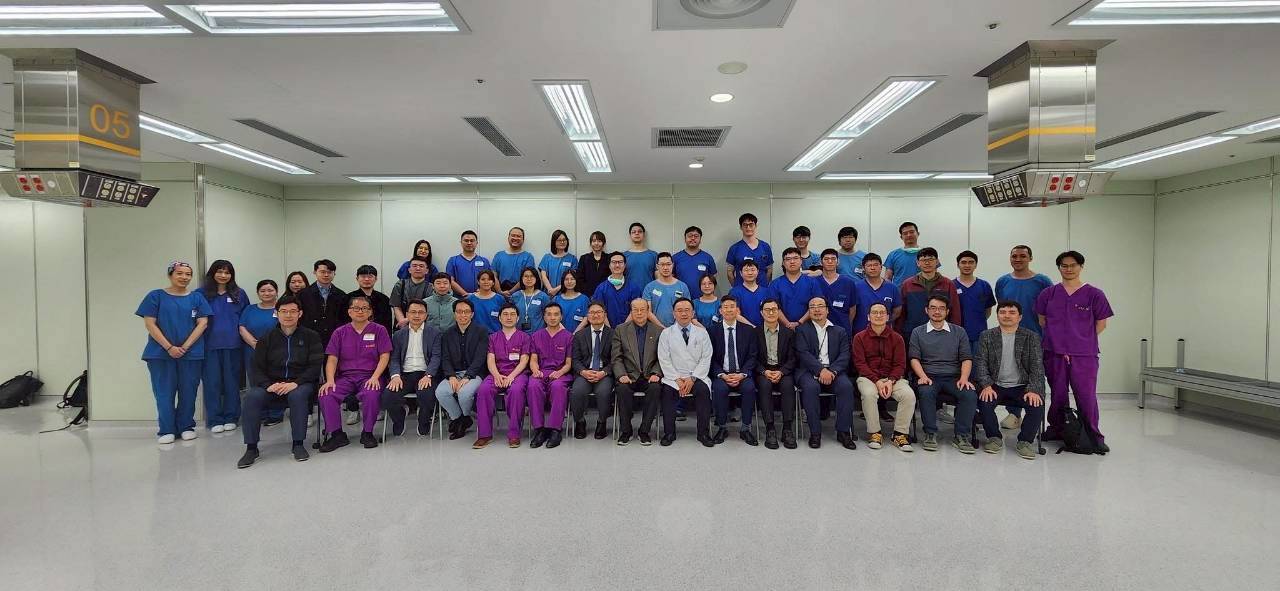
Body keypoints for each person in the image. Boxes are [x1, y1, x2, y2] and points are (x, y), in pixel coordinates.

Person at [1036, 250, 1113, 452]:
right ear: (1059, 268)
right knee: (1058, 394)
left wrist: (1079, 342)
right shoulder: (1048, 294)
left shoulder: (1094, 294)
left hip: (1084, 355)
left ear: (1081, 267)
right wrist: (1060, 343)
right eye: (1064, 266)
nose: (1068, 269)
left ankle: (1093, 435)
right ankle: (1058, 429)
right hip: (1054, 353)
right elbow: (1043, 321)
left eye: (1073, 265)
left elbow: (1101, 324)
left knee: (1086, 396)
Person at [238, 296, 323, 467]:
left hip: (301, 383)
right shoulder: (267, 338)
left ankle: (298, 444)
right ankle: (251, 448)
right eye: (284, 311)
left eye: (293, 311)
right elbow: (256, 368)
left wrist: (296, 383)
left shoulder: (311, 336)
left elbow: (315, 366)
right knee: (252, 397)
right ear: (277, 314)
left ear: (300, 314)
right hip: (272, 384)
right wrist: (269, 385)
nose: (288, 315)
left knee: (297, 396)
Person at [137, 261, 211, 444]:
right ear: (170, 275)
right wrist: (169, 347)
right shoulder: (156, 296)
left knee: (189, 392)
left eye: (188, 274)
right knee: (164, 392)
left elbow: (203, 323)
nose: (184, 277)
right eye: (180, 273)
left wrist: (185, 346)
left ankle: (186, 426)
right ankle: (166, 429)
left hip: (191, 353)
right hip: (160, 354)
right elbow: (150, 324)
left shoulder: (197, 298)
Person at [317, 296, 392, 452]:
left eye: (364, 308)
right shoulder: (339, 332)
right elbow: (332, 359)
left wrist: (375, 377)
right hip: (345, 377)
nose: (360, 311)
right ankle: (337, 434)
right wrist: (330, 380)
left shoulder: (379, 330)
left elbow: (385, 356)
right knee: (327, 393)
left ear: (370, 312)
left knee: (371, 393)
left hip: (370, 375)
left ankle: (368, 433)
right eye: (356, 308)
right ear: (349, 312)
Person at [975, 301, 1046, 460]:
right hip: (995, 384)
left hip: (1022, 385)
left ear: (1020, 317)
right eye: (1002, 312)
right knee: (984, 402)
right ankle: (994, 437)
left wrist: (1033, 390)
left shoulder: (1031, 337)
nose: (1007, 315)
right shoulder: (987, 336)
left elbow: (1037, 366)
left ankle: (1025, 441)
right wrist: (986, 385)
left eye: (1012, 312)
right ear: (997, 315)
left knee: (1036, 405)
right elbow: (980, 363)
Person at [994, 245, 1053, 430]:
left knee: (1035, 374)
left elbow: (1050, 309)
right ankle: (1014, 414)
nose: (1018, 259)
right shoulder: (1003, 281)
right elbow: (1002, 307)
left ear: (1030, 258)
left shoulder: (1042, 281)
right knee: (1012, 373)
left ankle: (1034, 414)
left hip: (1035, 337)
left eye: (1022, 256)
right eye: (1014, 256)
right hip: (1009, 336)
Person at [909, 294, 977, 454]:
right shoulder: (918, 332)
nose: (937, 311)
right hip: (928, 376)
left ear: (947, 311)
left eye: (941, 308)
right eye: (933, 308)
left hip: (954, 377)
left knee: (969, 394)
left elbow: (966, 358)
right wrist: (922, 376)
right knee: (925, 392)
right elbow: (914, 358)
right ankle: (930, 433)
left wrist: (964, 378)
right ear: (926, 310)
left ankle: (961, 436)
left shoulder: (959, 332)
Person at [795, 297, 857, 450]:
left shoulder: (840, 331)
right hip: (809, 371)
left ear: (827, 310)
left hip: (834, 370)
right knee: (811, 388)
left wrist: (832, 371)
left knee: (846, 387)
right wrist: (820, 370)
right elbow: (803, 353)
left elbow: (845, 355)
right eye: (812, 307)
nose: (816, 309)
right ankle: (815, 433)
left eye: (820, 306)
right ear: (809, 311)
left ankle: (843, 431)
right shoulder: (801, 330)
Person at [853, 302, 915, 452]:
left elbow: (900, 364)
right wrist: (877, 381)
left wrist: (891, 380)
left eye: (882, 313)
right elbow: (860, 364)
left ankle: (899, 434)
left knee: (908, 395)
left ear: (888, 317)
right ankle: (875, 433)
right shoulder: (859, 338)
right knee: (869, 394)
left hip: (893, 378)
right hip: (868, 377)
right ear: (868, 317)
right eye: (874, 312)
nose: (878, 315)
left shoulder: (897, 338)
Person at [380, 299, 442, 437]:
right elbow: (394, 358)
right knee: (387, 396)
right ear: (407, 314)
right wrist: (395, 376)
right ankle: (399, 418)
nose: (417, 315)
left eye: (421, 312)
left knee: (427, 395)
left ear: (426, 315)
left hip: (425, 374)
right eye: (413, 312)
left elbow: (436, 357)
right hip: (404, 375)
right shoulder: (398, 335)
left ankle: (424, 421)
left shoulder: (435, 333)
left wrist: (428, 375)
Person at [658, 298, 715, 447]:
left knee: (703, 391)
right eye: (679, 310)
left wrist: (692, 378)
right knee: (667, 392)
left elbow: (706, 357)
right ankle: (669, 433)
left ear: (693, 313)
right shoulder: (666, 333)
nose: (683, 313)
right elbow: (664, 359)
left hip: (696, 376)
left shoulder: (702, 333)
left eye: (687, 310)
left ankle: (703, 433)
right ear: (673, 313)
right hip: (673, 377)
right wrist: (677, 379)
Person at [474, 303, 531, 449]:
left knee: (516, 391)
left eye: (512, 314)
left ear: (517, 318)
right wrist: (496, 375)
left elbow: (524, 360)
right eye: (505, 314)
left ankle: (514, 434)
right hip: (496, 372)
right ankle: (484, 435)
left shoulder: (524, 337)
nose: (509, 317)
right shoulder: (493, 338)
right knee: (483, 390)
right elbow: (490, 359)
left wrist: (511, 376)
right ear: (499, 318)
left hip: (518, 374)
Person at [201, 259, 248, 433]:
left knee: (232, 382)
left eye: (227, 272)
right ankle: (214, 419)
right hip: (209, 346)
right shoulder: (200, 294)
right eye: (219, 271)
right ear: (212, 273)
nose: (223, 275)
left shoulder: (239, 294)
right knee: (211, 383)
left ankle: (231, 417)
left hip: (234, 345)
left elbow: (246, 318)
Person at [610, 298, 662, 445]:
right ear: (631, 312)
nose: (639, 313)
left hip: (649, 375)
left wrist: (656, 373)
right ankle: (626, 431)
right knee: (622, 389)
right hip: (628, 375)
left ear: (648, 311)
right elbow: (616, 357)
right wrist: (621, 374)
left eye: (642, 310)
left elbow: (662, 357)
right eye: (635, 310)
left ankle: (644, 431)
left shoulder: (658, 331)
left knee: (655, 388)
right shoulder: (620, 330)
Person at [435, 299, 489, 440]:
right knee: (441, 392)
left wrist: (468, 376)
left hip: (474, 374)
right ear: (454, 314)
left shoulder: (481, 331)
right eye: (459, 312)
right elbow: (445, 358)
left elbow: (480, 358)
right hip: (454, 373)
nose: (463, 315)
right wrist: (451, 376)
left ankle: (463, 419)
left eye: (466, 312)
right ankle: (460, 418)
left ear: (472, 314)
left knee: (464, 393)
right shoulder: (447, 334)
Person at [708, 296, 758, 446]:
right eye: (725, 307)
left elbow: (753, 356)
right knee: (719, 389)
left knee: (749, 388)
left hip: (742, 373)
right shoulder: (712, 331)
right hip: (722, 374)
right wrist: (722, 375)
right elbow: (710, 358)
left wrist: (742, 374)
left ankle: (745, 428)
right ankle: (722, 427)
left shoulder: (748, 331)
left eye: (732, 307)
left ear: (738, 310)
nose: (729, 310)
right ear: (720, 311)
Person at [527, 303, 574, 448]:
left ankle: (555, 429)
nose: (552, 317)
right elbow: (533, 359)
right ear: (544, 317)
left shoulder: (568, 337)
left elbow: (568, 363)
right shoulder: (536, 336)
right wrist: (535, 370)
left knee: (558, 387)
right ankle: (539, 429)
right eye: (549, 314)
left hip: (561, 373)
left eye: (556, 314)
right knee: (533, 385)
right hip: (541, 371)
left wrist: (560, 372)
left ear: (561, 316)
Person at [239, 279, 285, 426]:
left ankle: (276, 413)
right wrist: (254, 344)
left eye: (270, 290)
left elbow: (287, 328)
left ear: (276, 292)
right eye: (263, 291)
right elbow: (242, 327)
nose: (267, 293)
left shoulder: (281, 309)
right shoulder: (249, 309)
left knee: (276, 381)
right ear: (258, 293)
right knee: (256, 381)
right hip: (252, 350)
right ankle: (261, 413)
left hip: (276, 351)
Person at [754, 298, 797, 449]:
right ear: (761, 313)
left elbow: (793, 358)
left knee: (788, 385)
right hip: (763, 370)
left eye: (774, 309)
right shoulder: (755, 333)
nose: (771, 313)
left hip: (783, 370)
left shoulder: (789, 333)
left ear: (779, 312)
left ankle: (787, 428)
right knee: (764, 385)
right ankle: (770, 428)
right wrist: (764, 371)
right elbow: (752, 357)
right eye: (767, 310)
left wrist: (782, 371)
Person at [569, 302, 614, 439]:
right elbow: (575, 359)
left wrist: (603, 372)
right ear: (587, 316)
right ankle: (580, 421)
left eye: (599, 312)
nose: (595, 315)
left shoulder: (613, 334)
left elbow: (616, 359)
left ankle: (602, 422)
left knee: (604, 392)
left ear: (605, 315)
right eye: (592, 313)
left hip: (604, 373)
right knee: (577, 391)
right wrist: (583, 372)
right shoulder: (579, 335)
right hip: (584, 372)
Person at [897, 247, 961, 337]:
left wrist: (955, 333)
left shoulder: (948, 284)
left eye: (931, 259)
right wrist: (899, 333)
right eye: (923, 260)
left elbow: (955, 311)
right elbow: (901, 312)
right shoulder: (907, 284)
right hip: (912, 333)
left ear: (937, 262)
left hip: (942, 333)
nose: (927, 263)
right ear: (917, 263)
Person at [299, 259, 350, 346]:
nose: (326, 275)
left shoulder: (341, 295)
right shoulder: (303, 294)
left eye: (329, 272)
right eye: (322, 272)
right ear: (315, 272)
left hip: (334, 339)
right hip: (309, 339)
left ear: (334, 274)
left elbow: (344, 319)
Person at [769, 247, 823, 329]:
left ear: (801, 261)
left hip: (808, 328)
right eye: (788, 259)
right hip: (783, 328)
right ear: (783, 263)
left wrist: (799, 322)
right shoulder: (775, 284)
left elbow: (817, 305)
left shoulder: (812, 282)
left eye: (795, 258)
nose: (792, 261)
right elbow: (774, 307)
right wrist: (788, 324)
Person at [955, 250, 996, 354]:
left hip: (979, 334)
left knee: (979, 362)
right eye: (963, 262)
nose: (967, 265)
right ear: (958, 265)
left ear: (976, 265)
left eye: (971, 262)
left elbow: (988, 310)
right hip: (957, 335)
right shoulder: (951, 285)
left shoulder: (984, 285)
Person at [852, 253, 901, 335]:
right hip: (861, 333)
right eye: (869, 265)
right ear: (863, 268)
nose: (873, 268)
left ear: (881, 267)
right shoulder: (856, 287)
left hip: (885, 333)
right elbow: (851, 310)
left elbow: (897, 310)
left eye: (876, 265)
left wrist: (884, 321)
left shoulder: (892, 287)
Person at [591, 251, 640, 327]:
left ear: (625, 265)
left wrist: (622, 329)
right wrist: (609, 330)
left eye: (620, 262)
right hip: (607, 329)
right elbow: (599, 311)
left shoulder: (633, 287)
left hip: (628, 329)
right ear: (609, 265)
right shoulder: (601, 288)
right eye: (614, 262)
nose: (617, 265)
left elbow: (635, 310)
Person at [643, 252, 691, 327]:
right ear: (657, 266)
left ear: (673, 265)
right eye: (662, 264)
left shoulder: (682, 286)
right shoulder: (649, 287)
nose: (665, 268)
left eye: (668, 264)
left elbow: (687, 309)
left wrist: (674, 328)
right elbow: (647, 311)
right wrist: (662, 328)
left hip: (678, 328)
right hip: (656, 329)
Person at [817, 248, 859, 335]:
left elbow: (852, 309)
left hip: (842, 329)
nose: (830, 261)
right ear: (821, 262)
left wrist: (847, 325)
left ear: (838, 262)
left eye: (833, 259)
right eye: (826, 259)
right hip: (819, 330)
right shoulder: (814, 282)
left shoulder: (848, 283)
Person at [726, 212, 773, 286]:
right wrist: (737, 287)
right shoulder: (734, 248)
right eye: (745, 225)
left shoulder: (765, 247)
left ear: (755, 226)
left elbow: (769, 270)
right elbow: (729, 272)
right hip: (741, 289)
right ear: (741, 227)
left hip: (762, 289)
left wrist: (764, 287)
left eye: (751, 224)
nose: (748, 227)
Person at [445, 230, 491, 296]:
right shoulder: (453, 260)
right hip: (459, 299)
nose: (469, 243)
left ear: (476, 243)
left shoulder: (484, 261)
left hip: (481, 297)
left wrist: (480, 292)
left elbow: (489, 280)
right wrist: (465, 294)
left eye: (472, 240)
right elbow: (450, 281)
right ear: (461, 242)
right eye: (466, 240)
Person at [350, 264, 394, 333]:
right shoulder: (349, 298)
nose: (366, 279)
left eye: (370, 276)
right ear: (357, 279)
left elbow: (387, 324)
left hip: (379, 336)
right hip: (355, 335)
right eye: (363, 276)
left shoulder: (384, 299)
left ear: (376, 279)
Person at [390, 257, 433, 328]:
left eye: (421, 266)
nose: (418, 268)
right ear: (409, 270)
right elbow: (396, 306)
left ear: (427, 271)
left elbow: (430, 310)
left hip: (423, 326)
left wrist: (409, 320)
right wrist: (403, 322)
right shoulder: (400, 284)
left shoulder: (431, 287)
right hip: (402, 325)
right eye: (414, 266)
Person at [492, 227, 536, 295]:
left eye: (518, 236)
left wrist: (511, 292)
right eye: (513, 235)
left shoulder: (528, 257)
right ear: (508, 238)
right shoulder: (498, 256)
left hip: (521, 295)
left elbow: (528, 277)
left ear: (523, 240)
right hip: (500, 294)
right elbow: (493, 276)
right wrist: (500, 292)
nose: (515, 238)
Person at [673, 226, 718, 290]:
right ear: (685, 239)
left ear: (700, 239)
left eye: (696, 236)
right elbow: (670, 277)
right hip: (681, 295)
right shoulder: (675, 258)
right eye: (690, 236)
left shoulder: (707, 258)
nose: (693, 238)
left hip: (702, 295)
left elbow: (713, 277)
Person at [727, 260, 767, 327]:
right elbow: (735, 314)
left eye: (752, 270)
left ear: (758, 272)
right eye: (746, 270)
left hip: (764, 329)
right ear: (741, 273)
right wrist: (752, 327)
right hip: (743, 330)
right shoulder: (734, 292)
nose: (750, 273)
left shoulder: (766, 291)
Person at [510, 267, 549, 334]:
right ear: (521, 278)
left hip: (538, 335)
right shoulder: (515, 296)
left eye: (532, 276)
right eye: (526, 276)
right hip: (518, 334)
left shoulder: (543, 296)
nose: (529, 279)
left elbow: (548, 316)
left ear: (536, 278)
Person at [538, 229, 576, 297]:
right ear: (554, 242)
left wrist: (555, 290)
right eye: (559, 240)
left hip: (565, 294)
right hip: (548, 294)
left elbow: (572, 278)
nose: (562, 242)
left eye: (564, 240)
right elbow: (543, 276)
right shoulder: (546, 258)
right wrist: (550, 289)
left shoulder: (572, 259)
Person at [623, 222, 658, 290]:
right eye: (634, 232)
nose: (637, 233)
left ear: (644, 234)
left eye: (640, 231)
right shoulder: (624, 256)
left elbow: (658, 279)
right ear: (630, 235)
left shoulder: (653, 255)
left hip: (648, 293)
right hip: (629, 293)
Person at [576, 230, 610, 298]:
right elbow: (579, 278)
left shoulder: (609, 258)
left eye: (599, 241)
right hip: (587, 296)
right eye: (594, 241)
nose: (596, 243)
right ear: (591, 243)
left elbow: (610, 277)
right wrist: (587, 294)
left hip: (605, 295)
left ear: (603, 243)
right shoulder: (584, 258)